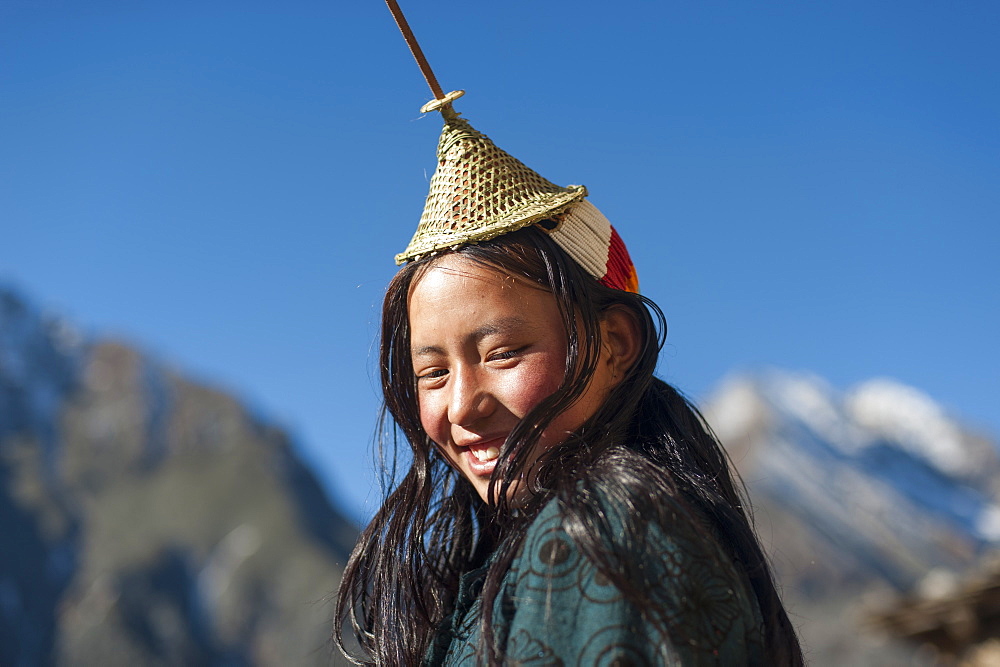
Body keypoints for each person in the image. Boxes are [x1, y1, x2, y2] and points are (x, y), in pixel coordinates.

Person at [335, 98, 803, 665]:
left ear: (615, 345)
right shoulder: (523, 549)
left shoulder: (603, 533)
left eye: (503, 354)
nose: (461, 406)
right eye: (432, 373)